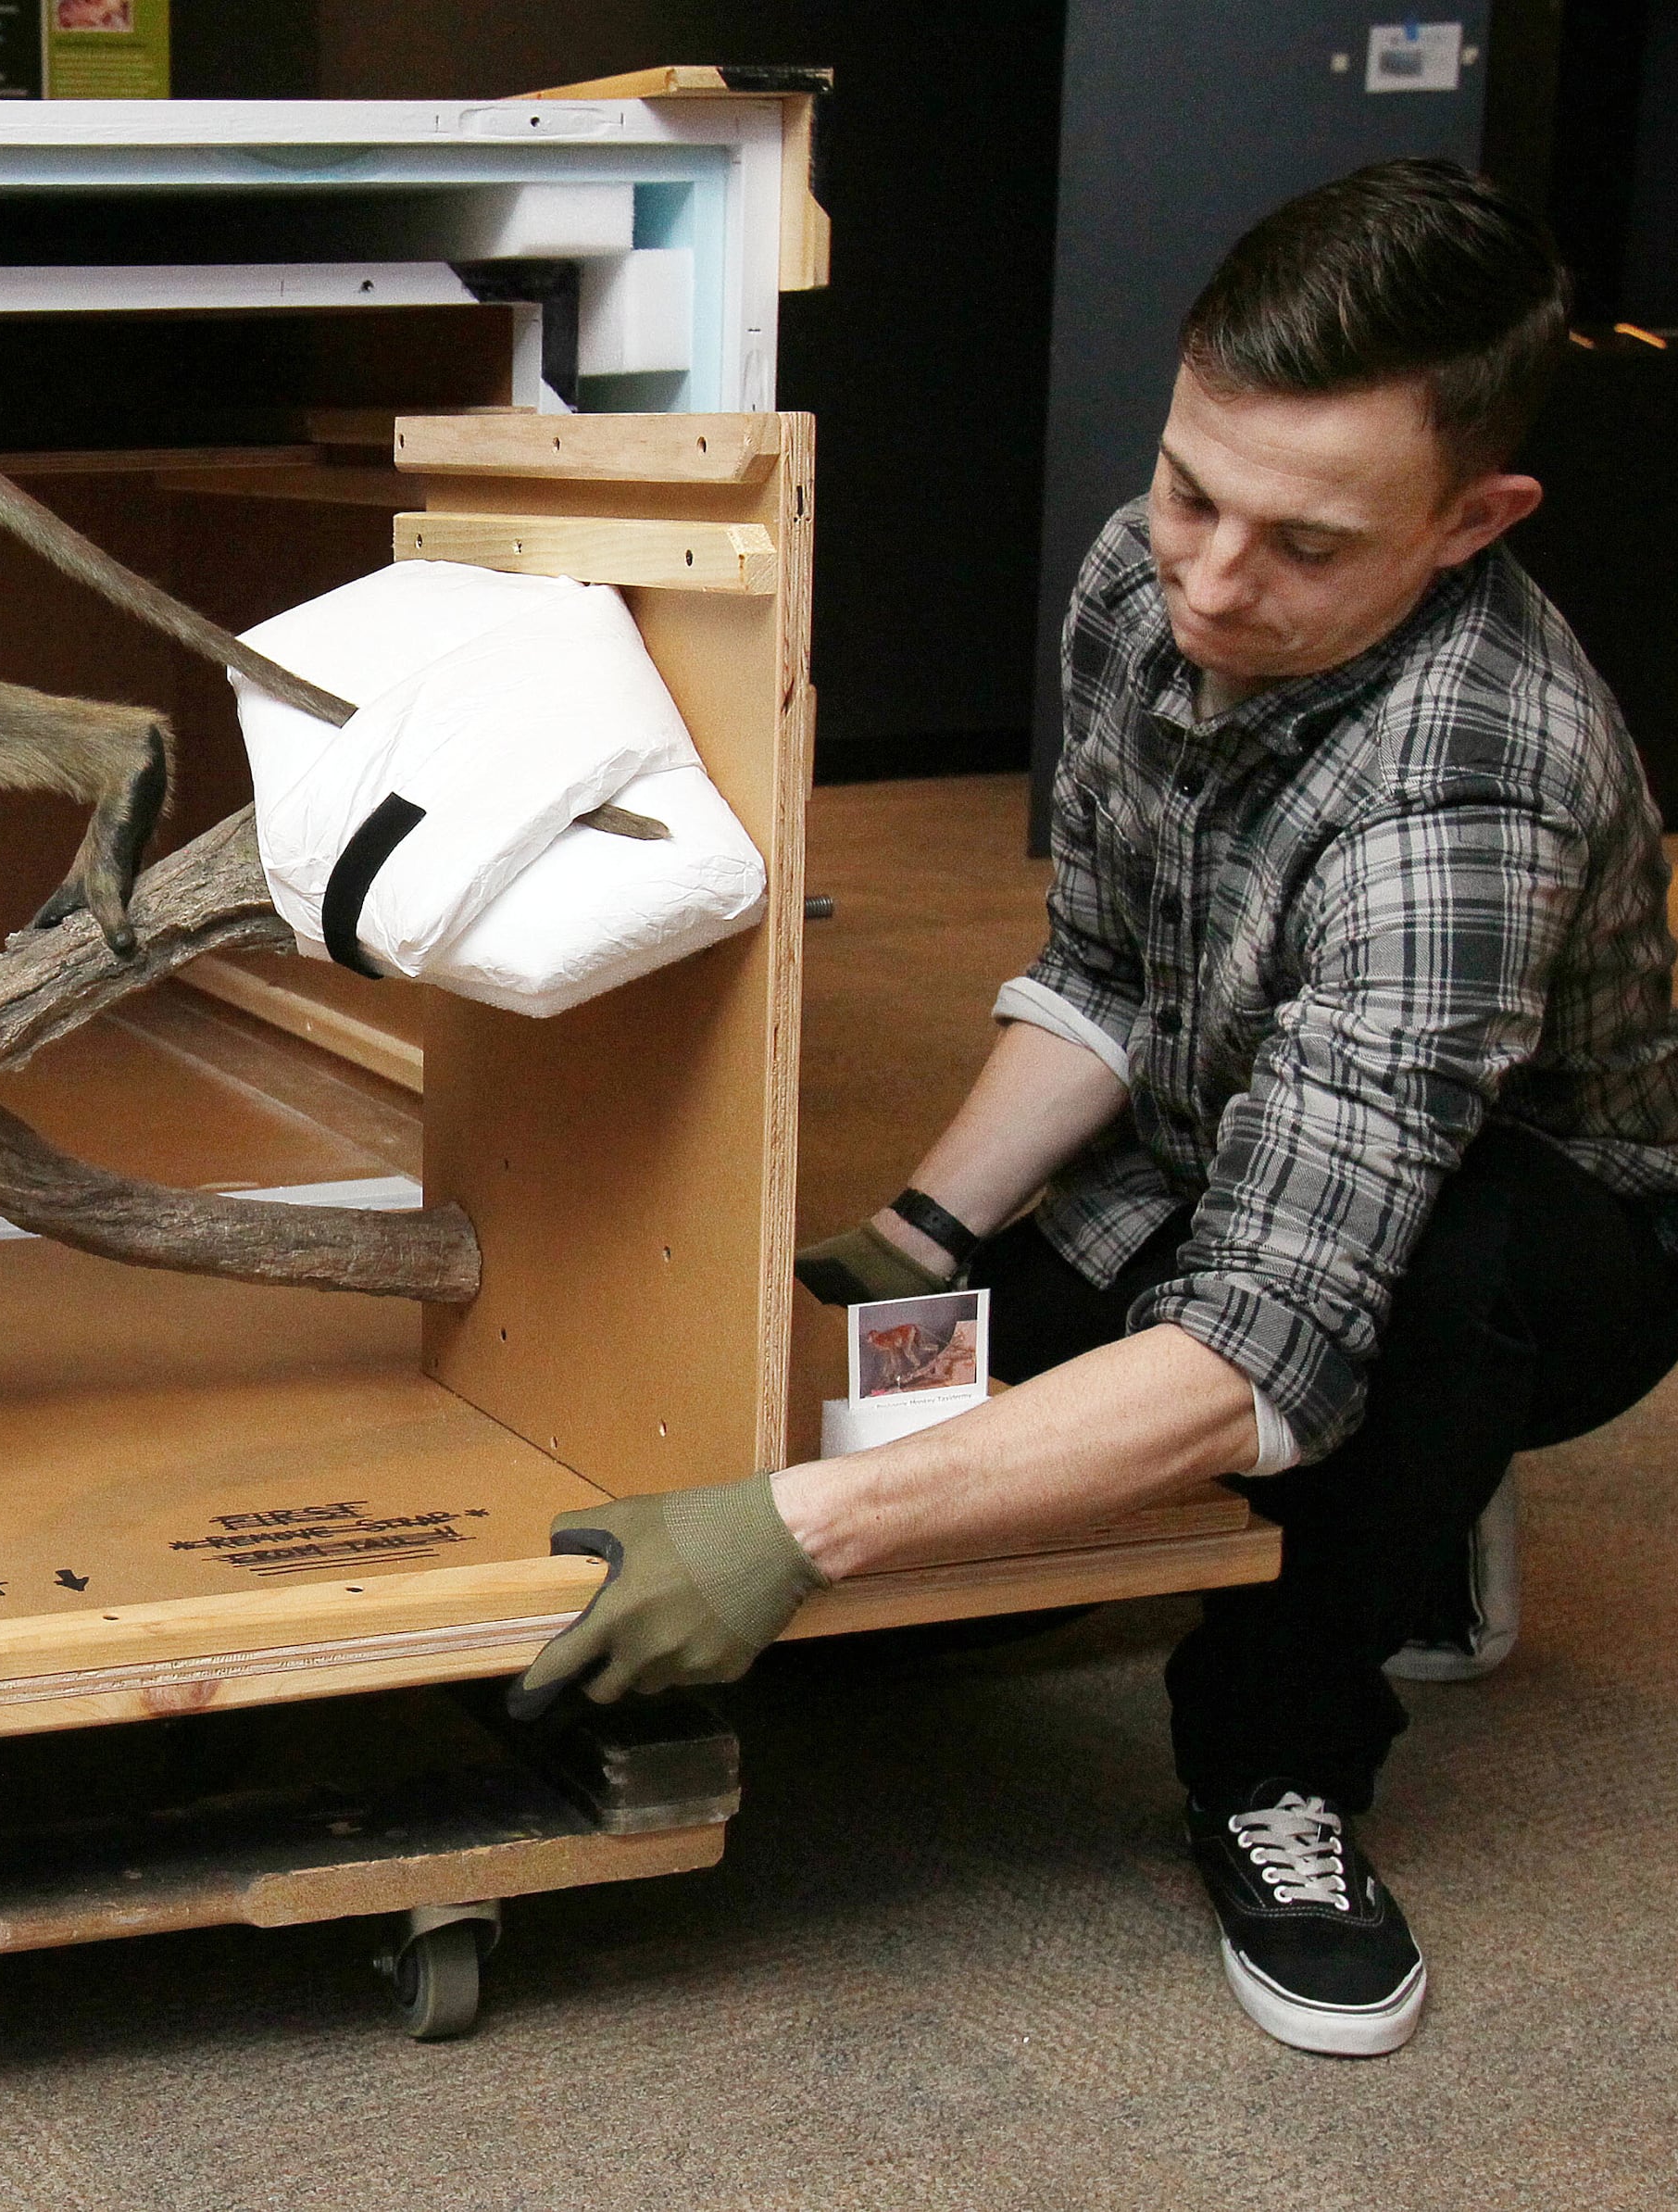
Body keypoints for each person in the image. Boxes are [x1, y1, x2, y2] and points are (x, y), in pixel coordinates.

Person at [512, 158, 1678, 2058]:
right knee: (920, 1584)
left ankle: (1282, 1766)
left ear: (1477, 519)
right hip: (1219, 1135)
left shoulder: (1471, 781)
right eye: (1192, 488)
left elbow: (1264, 1346)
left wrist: (793, 1529)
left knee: (1422, 1310)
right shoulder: (1153, 583)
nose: (1212, 582)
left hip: (1543, 1222)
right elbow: (1120, 974)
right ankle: (1351, 1503)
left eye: (1306, 546)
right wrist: (928, 1233)